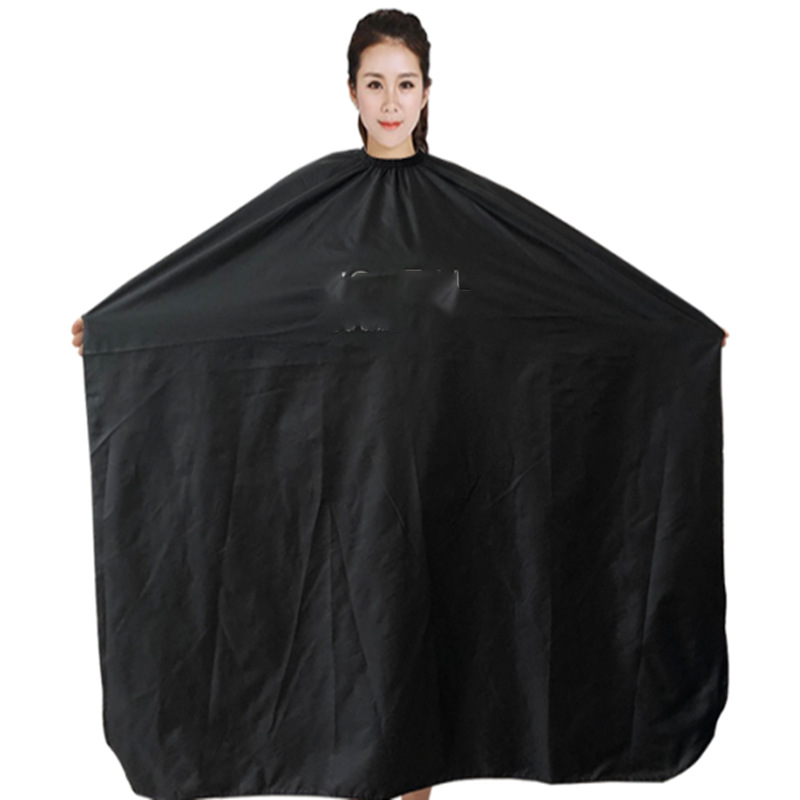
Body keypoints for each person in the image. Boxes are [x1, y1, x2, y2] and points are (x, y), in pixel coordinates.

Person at [69, 10, 727, 800]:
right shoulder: (312, 212)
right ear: (350, 91)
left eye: (405, 84)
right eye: (375, 83)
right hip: (346, 477)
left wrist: (676, 337)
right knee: (355, 674)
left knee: (431, 680)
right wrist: (119, 334)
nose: (390, 102)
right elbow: (233, 302)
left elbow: (560, 301)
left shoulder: (470, 217)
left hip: (448, 476)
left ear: (427, 92)